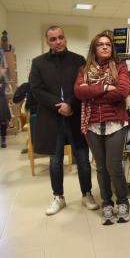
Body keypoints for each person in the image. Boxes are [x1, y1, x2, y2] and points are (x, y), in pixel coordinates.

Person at [29, 25, 99, 215]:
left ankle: (87, 194)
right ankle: (58, 197)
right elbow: (36, 89)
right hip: (52, 119)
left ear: (65, 38)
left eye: (61, 37)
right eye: (53, 39)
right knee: (55, 161)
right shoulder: (38, 63)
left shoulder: (78, 61)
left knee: (83, 160)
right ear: (47, 42)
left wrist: (70, 104)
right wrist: (60, 105)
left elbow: (85, 87)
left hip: (76, 117)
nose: (58, 41)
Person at [74, 32, 130, 225]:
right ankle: (107, 202)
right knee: (100, 167)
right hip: (92, 125)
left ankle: (123, 201)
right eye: (100, 44)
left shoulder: (121, 67)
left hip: (116, 123)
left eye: (108, 44)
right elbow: (78, 92)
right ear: (94, 48)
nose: (105, 47)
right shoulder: (84, 69)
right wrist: (106, 88)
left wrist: (92, 93)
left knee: (114, 167)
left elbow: (123, 91)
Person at [0, 70, 10, 148]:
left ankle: (3, 140)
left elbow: (1, 90)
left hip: (1, 101)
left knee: (3, 121)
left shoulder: (2, 78)